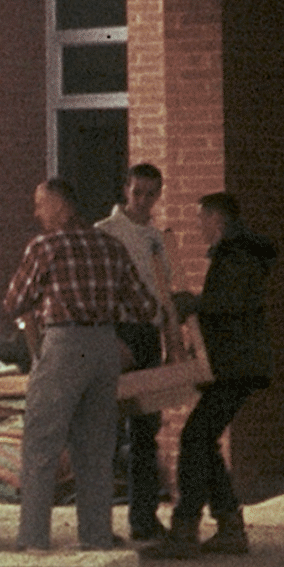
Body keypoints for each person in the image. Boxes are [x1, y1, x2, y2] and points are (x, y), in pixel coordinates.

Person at [3, 179, 158, 552]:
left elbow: (14, 301)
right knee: (96, 450)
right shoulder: (111, 246)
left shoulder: (46, 246)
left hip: (64, 345)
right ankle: (95, 539)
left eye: (41, 205)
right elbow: (145, 308)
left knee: (42, 445)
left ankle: (34, 540)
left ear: (62, 206)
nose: (36, 213)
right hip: (105, 348)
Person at [150, 192, 277, 559]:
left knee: (194, 437)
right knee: (202, 439)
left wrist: (195, 303)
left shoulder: (235, 255)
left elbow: (233, 303)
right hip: (239, 363)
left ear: (216, 220)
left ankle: (185, 529)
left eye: (202, 219)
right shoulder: (239, 253)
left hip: (237, 365)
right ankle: (228, 526)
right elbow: (230, 303)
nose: (199, 227)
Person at [95, 163, 182, 543]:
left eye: (151, 194)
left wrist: (173, 341)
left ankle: (143, 518)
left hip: (149, 334)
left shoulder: (159, 239)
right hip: (118, 334)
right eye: (137, 193)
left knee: (146, 429)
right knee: (108, 428)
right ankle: (98, 524)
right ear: (125, 190)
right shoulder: (105, 233)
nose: (144, 201)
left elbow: (167, 294)